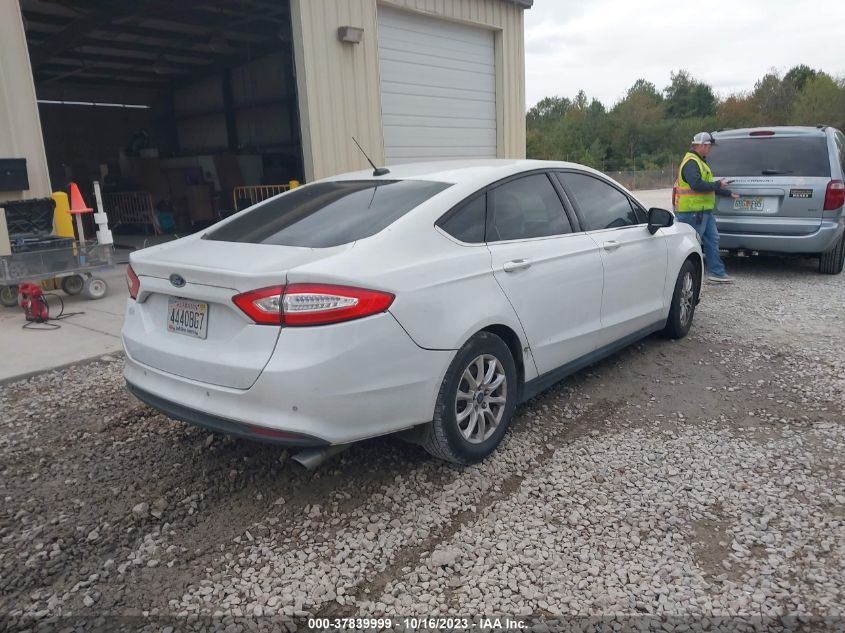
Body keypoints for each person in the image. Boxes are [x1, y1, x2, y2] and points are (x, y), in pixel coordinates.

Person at [674, 132, 739, 283]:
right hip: (693, 212)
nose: (710, 150)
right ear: (702, 145)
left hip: (703, 211)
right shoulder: (691, 162)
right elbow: (697, 185)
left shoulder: (699, 162)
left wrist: (727, 193)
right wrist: (718, 184)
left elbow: (706, 186)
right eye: (709, 147)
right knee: (690, 246)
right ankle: (684, 278)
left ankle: (717, 273)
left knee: (712, 240)